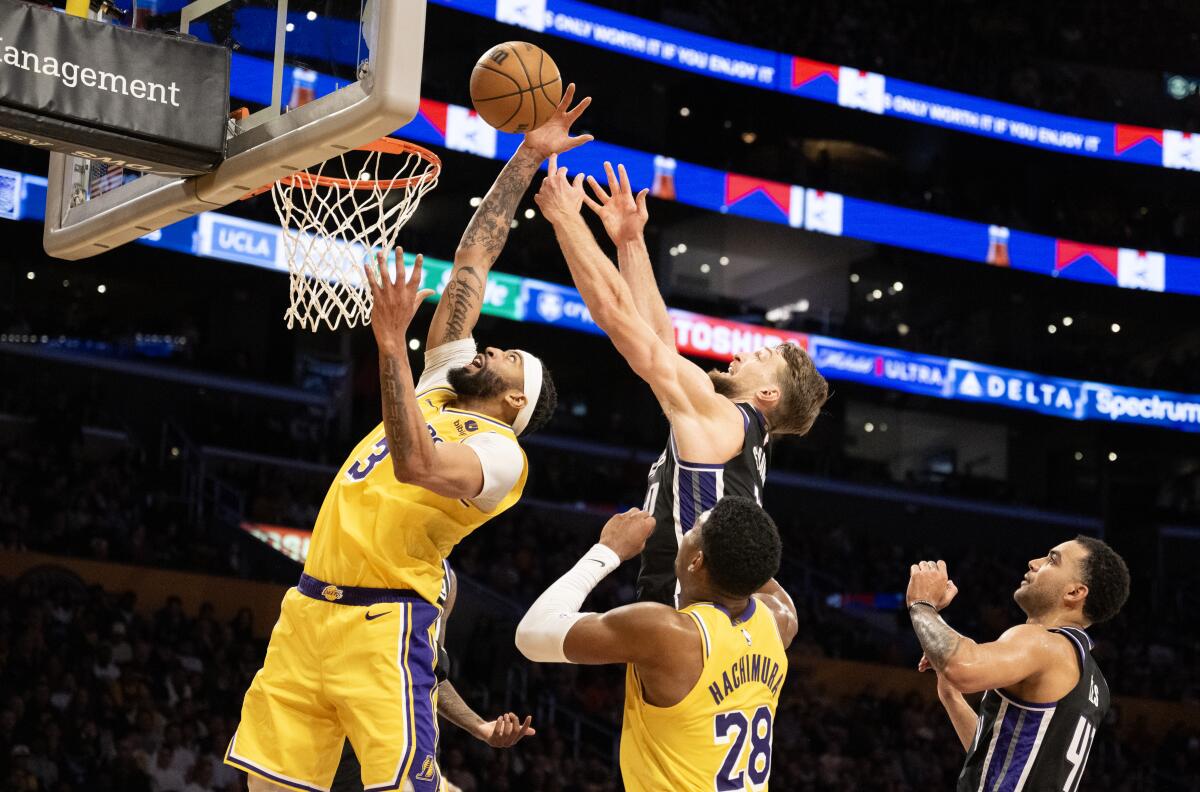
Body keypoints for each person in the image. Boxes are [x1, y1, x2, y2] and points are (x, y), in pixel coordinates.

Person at [226, 86, 591, 792]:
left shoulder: (499, 457)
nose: (493, 348)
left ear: (517, 399)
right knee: (267, 787)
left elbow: (417, 462)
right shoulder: (445, 383)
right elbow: (474, 258)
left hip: (384, 622)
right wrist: (527, 155)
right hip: (308, 610)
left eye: (510, 357)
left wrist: (390, 342)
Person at [537, 160, 829, 605]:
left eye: (760, 357)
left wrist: (566, 219)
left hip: (685, 615)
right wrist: (630, 242)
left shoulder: (724, 418)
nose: (739, 355)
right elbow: (658, 339)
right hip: (698, 618)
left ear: (768, 394)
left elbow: (619, 319)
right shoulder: (738, 434)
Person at [514, 497, 798, 791]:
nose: (685, 533)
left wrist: (608, 549)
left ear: (696, 560)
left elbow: (531, 634)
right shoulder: (779, 620)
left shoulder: (669, 634)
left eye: (692, 531)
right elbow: (757, 564)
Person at [907, 536, 1130, 792]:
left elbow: (962, 667)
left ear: (1074, 592)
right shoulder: (1095, 682)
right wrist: (951, 695)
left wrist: (922, 604)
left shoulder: (1044, 643)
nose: (1034, 562)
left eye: (1052, 560)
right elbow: (999, 758)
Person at [330, 565, 534, 792]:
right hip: (344, 722)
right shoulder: (370, 550)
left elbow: (429, 671)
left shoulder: (448, 580)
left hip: (409, 736)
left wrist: (480, 727)